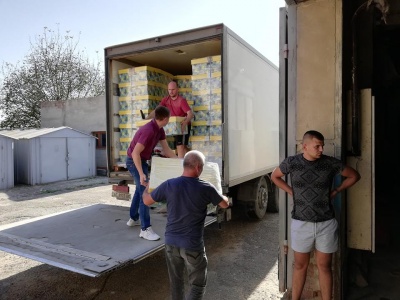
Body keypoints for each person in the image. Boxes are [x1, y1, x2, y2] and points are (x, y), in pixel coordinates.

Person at [271, 130, 361, 300]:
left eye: (322, 145)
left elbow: (354, 176)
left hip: (326, 223)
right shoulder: (291, 163)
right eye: (317, 146)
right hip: (300, 223)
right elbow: (275, 176)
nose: (321, 149)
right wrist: (291, 191)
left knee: (325, 267)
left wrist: (336, 190)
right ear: (305, 146)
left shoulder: (330, 163)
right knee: (299, 266)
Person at [143, 150, 229, 299]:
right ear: (198, 168)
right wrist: (224, 196)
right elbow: (224, 204)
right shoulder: (206, 188)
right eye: (201, 167)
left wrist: (146, 189)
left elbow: (147, 201)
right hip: (192, 246)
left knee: (176, 284)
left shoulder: (169, 184)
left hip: (171, 244)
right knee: (197, 285)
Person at [126, 106, 177, 241]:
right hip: (133, 161)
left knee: (139, 190)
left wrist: (182, 161)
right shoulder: (148, 130)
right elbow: (135, 153)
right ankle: (145, 229)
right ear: (165, 118)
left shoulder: (159, 130)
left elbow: (167, 150)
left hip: (141, 160)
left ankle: (133, 218)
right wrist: (142, 173)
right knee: (145, 191)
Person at [147, 81, 194, 158]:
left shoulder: (181, 101)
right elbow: (157, 110)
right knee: (182, 146)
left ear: (177, 89)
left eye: (173, 89)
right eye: (169, 89)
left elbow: (190, 114)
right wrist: (147, 118)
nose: (171, 92)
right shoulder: (166, 100)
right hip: (174, 125)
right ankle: (192, 158)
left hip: (183, 125)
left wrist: (185, 123)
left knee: (180, 146)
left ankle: (180, 166)